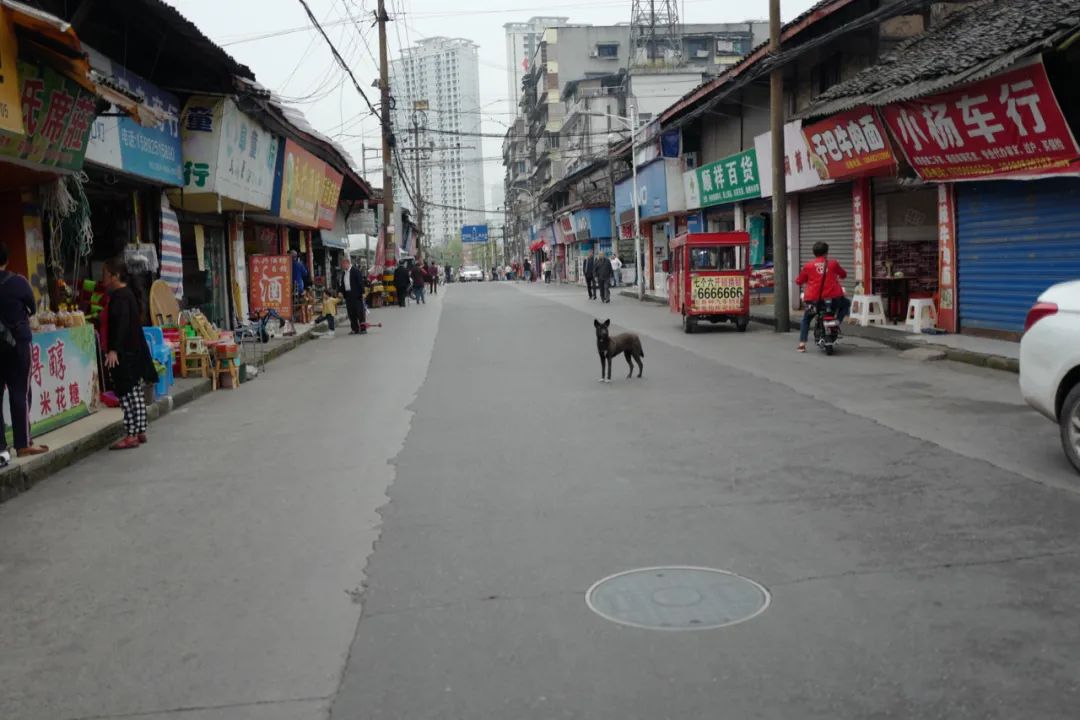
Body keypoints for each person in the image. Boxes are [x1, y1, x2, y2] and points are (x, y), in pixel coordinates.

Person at [102, 256, 159, 450]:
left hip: (125, 354)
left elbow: (121, 325)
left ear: (115, 276)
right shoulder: (128, 295)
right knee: (135, 392)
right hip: (133, 352)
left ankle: (132, 433)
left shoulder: (120, 297)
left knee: (127, 395)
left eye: (106, 275)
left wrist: (113, 350)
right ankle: (140, 429)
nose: (104, 280)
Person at [0, 243, 47, 463]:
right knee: (20, 391)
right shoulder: (18, 282)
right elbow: (33, 307)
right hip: (18, 344)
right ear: (6, 260)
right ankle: (23, 444)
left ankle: (1, 448)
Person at [795, 241, 851, 353]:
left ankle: (802, 344)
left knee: (806, 319)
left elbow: (799, 281)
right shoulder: (833, 264)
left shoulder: (808, 266)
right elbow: (844, 275)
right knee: (846, 304)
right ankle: (836, 323)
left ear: (814, 253)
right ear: (826, 253)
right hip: (834, 300)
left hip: (813, 301)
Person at [341, 257, 367, 334]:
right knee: (351, 313)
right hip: (348, 295)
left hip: (356, 295)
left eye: (343, 264)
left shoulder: (355, 271)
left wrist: (363, 293)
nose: (342, 266)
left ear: (347, 263)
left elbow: (360, 282)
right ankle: (354, 329)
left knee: (359, 312)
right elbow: (343, 284)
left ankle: (363, 329)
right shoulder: (344, 273)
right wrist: (340, 291)